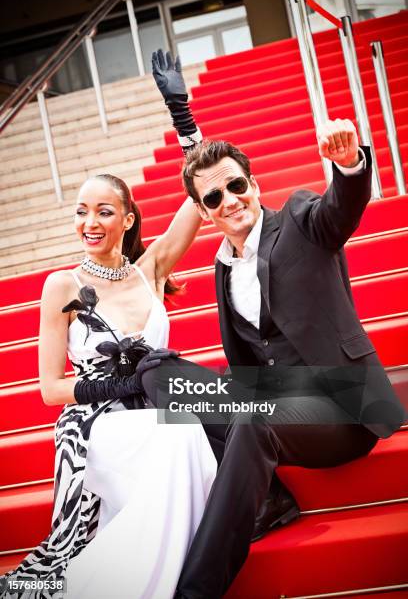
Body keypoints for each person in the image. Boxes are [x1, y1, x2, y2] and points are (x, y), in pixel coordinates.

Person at [150, 50, 407, 598]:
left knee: (250, 416)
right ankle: (272, 501)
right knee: (166, 382)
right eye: (215, 199)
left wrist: (349, 164)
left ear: (253, 183)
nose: (230, 200)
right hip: (274, 399)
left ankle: (194, 589)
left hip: (342, 405)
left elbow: (342, 207)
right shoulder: (222, 263)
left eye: (237, 186)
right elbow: (205, 175)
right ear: (205, 212)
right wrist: (181, 117)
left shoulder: (297, 218)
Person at [0, 173, 218, 599]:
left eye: (103, 211)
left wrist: (186, 126)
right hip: (93, 428)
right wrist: (124, 385)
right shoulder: (63, 285)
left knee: (188, 425)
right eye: (81, 212)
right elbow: (51, 389)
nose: (90, 222)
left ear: (129, 220)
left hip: (152, 413)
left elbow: (202, 193)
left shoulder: (149, 271)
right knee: (180, 432)